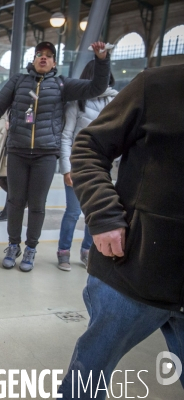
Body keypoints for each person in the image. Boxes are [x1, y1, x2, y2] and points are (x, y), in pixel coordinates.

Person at [57, 64, 184, 399]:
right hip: (133, 271)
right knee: (89, 377)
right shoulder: (156, 86)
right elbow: (87, 148)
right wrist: (104, 216)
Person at [0, 41, 110, 272]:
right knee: (15, 202)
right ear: (33, 59)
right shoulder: (18, 81)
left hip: (46, 154)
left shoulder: (63, 84)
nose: (43, 58)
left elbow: (96, 87)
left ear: (54, 62)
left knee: (38, 205)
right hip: (18, 152)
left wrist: (102, 60)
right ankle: (13, 245)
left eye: (49, 55)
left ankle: (30, 248)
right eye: (39, 54)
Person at [57, 61, 118, 272]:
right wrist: (66, 168)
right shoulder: (77, 101)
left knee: (95, 212)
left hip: (102, 167)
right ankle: (63, 252)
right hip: (77, 165)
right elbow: (66, 136)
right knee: (73, 212)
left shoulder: (116, 100)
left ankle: (87, 251)